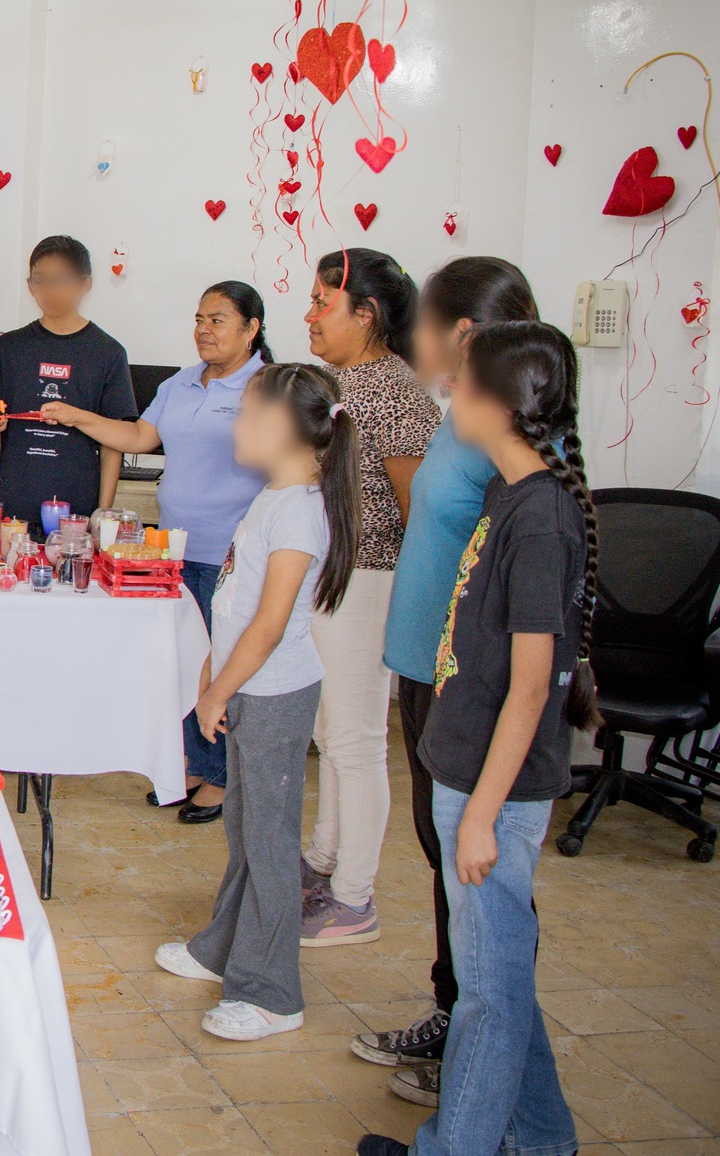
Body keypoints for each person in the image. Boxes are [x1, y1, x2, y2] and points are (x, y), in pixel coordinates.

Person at [357, 320, 593, 1156]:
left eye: (461, 384)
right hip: (467, 770)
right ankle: (543, 1136)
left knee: (488, 996)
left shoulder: (542, 521)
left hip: (495, 790)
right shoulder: (510, 494)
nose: (447, 395)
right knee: (501, 979)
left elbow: (532, 684)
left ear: (495, 402)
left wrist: (485, 814)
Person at [348, 257, 538, 1106]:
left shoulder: (510, 434)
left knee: (470, 864)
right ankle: (452, 1009)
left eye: (421, 321)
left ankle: (476, 1038)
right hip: (426, 666)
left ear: (461, 334)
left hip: (463, 676)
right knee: (440, 856)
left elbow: (516, 565)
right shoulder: (458, 418)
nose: (410, 335)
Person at [152, 363, 360, 1043]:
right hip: (248, 687)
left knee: (269, 841)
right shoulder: (275, 494)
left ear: (278, 426)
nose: (235, 426)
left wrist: (216, 687)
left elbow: (270, 625)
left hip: (272, 695)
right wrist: (214, 668)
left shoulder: (300, 507)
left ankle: (273, 992)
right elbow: (239, 601)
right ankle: (222, 947)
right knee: (245, 827)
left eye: (244, 414)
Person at [57, 281, 273, 823]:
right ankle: (193, 766)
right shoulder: (181, 382)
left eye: (219, 320)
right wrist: (78, 416)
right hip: (174, 546)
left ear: (252, 329)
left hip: (231, 551)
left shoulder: (266, 386)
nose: (203, 328)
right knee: (184, 661)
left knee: (221, 663)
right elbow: (138, 437)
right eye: (199, 317)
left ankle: (222, 777)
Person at [301, 247, 439, 947]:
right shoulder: (338, 380)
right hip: (334, 578)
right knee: (332, 733)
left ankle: (355, 897)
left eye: (324, 302)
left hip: (373, 580)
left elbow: (423, 513)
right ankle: (323, 862)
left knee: (355, 740)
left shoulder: (395, 390)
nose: (310, 314)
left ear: (368, 313)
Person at [0, 236, 136, 537]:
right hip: (15, 504)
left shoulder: (108, 352)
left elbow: (115, 443)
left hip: (78, 509)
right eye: (40, 281)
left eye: (61, 280)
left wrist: (102, 514)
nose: (49, 291)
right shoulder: (10, 347)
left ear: (86, 284)